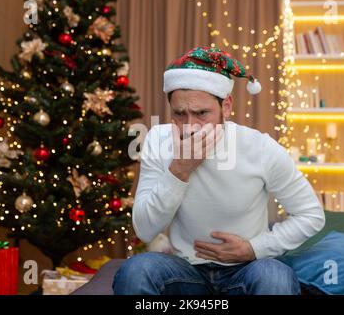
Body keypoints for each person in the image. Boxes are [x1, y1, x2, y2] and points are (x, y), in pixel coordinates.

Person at [113, 46, 325, 295]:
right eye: (180, 114)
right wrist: (179, 170)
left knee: (274, 276)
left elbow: (311, 215)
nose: (190, 126)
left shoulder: (260, 147)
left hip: (246, 270)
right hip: (185, 271)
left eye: (202, 113)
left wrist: (254, 248)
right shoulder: (158, 141)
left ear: (226, 107)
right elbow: (145, 229)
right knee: (137, 270)